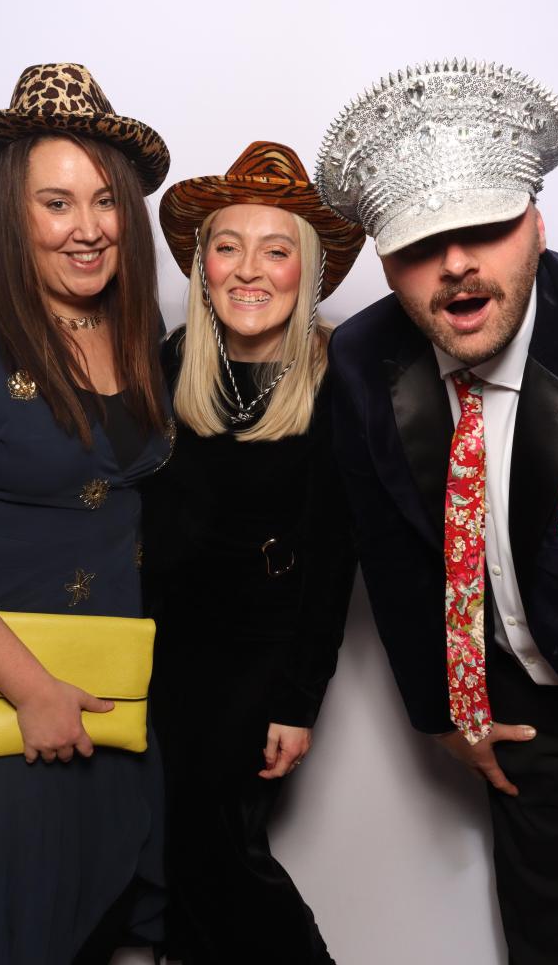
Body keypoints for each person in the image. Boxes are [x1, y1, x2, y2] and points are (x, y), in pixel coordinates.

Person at [316, 57, 558, 963]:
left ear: (535, 223)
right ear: (383, 262)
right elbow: (388, 554)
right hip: (528, 713)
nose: (457, 263)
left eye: (485, 228)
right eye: (420, 243)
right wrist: (445, 710)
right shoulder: (362, 361)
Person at [0, 62, 174, 964]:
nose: (87, 229)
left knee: (89, 924)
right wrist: (30, 692)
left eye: (105, 202)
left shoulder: (132, 321)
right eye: (56, 203)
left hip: (110, 696)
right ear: (10, 209)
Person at [140, 141, 364, 965]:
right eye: (227, 247)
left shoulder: (339, 381)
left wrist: (297, 703)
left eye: (275, 251)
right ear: (203, 269)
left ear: (307, 270)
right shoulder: (167, 364)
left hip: (257, 662)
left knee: (219, 850)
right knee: (166, 856)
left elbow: (335, 562)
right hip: (157, 650)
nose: (248, 270)